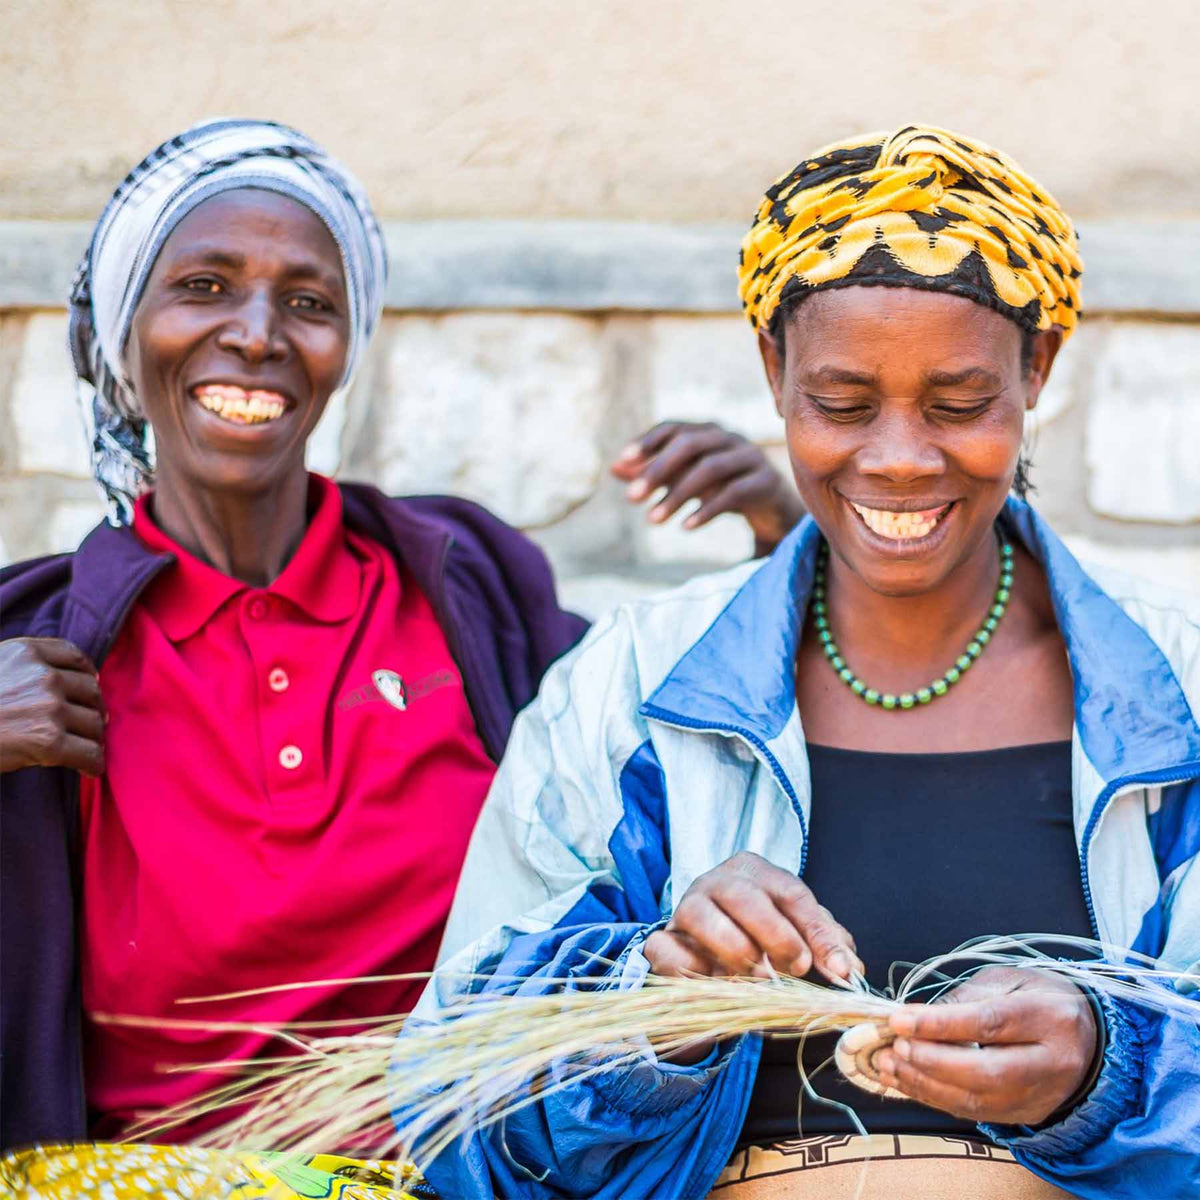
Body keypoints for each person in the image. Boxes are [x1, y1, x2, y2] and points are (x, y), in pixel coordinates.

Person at [421, 125, 1200, 1199]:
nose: (895, 458)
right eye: (839, 403)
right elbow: (450, 1118)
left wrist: (1107, 1070)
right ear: (772, 368)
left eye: (960, 405)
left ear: (1040, 368)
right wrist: (656, 1010)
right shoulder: (634, 691)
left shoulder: (1180, 690)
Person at [0, 118, 800, 1164]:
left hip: (467, 1172)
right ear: (121, 325)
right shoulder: (42, 650)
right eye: (202, 286)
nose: (256, 333)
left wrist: (789, 543)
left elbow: (670, 743)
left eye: (308, 302)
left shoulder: (463, 593)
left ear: (347, 347)